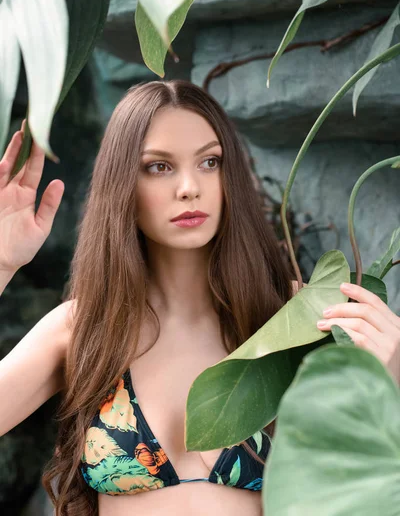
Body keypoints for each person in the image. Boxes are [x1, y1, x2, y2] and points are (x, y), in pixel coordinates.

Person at [0, 80, 399, 516]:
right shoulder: (82, 328)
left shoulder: (299, 317)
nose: (190, 186)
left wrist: (393, 372)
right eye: (159, 166)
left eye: (210, 162)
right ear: (122, 187)